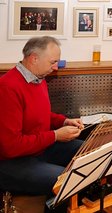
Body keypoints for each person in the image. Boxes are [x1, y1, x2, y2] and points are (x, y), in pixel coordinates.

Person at [0, 36, 84, 212]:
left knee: (87, 153)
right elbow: (11, 146)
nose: (55, 67)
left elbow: (41, 115)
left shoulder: (38, 78)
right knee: (66, 180)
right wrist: (55, 135)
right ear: (34, 59)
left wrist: (63, 121)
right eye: (53, 62)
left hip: (38, 149)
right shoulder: (8, 87)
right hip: (12, 161)